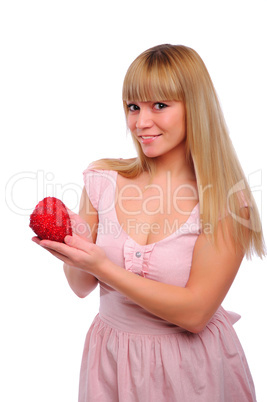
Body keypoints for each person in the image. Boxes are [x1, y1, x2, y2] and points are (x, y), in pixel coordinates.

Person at [32, 44, 265, 401]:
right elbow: (81, 287)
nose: (141, 122)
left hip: (192, 370)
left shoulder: (226, 202)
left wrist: (102, 266)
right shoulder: (103, 178)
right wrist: (72, 251)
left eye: (160, 105)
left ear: (195, 107)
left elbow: (196, 313)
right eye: (133, 106)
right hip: (111, 361)